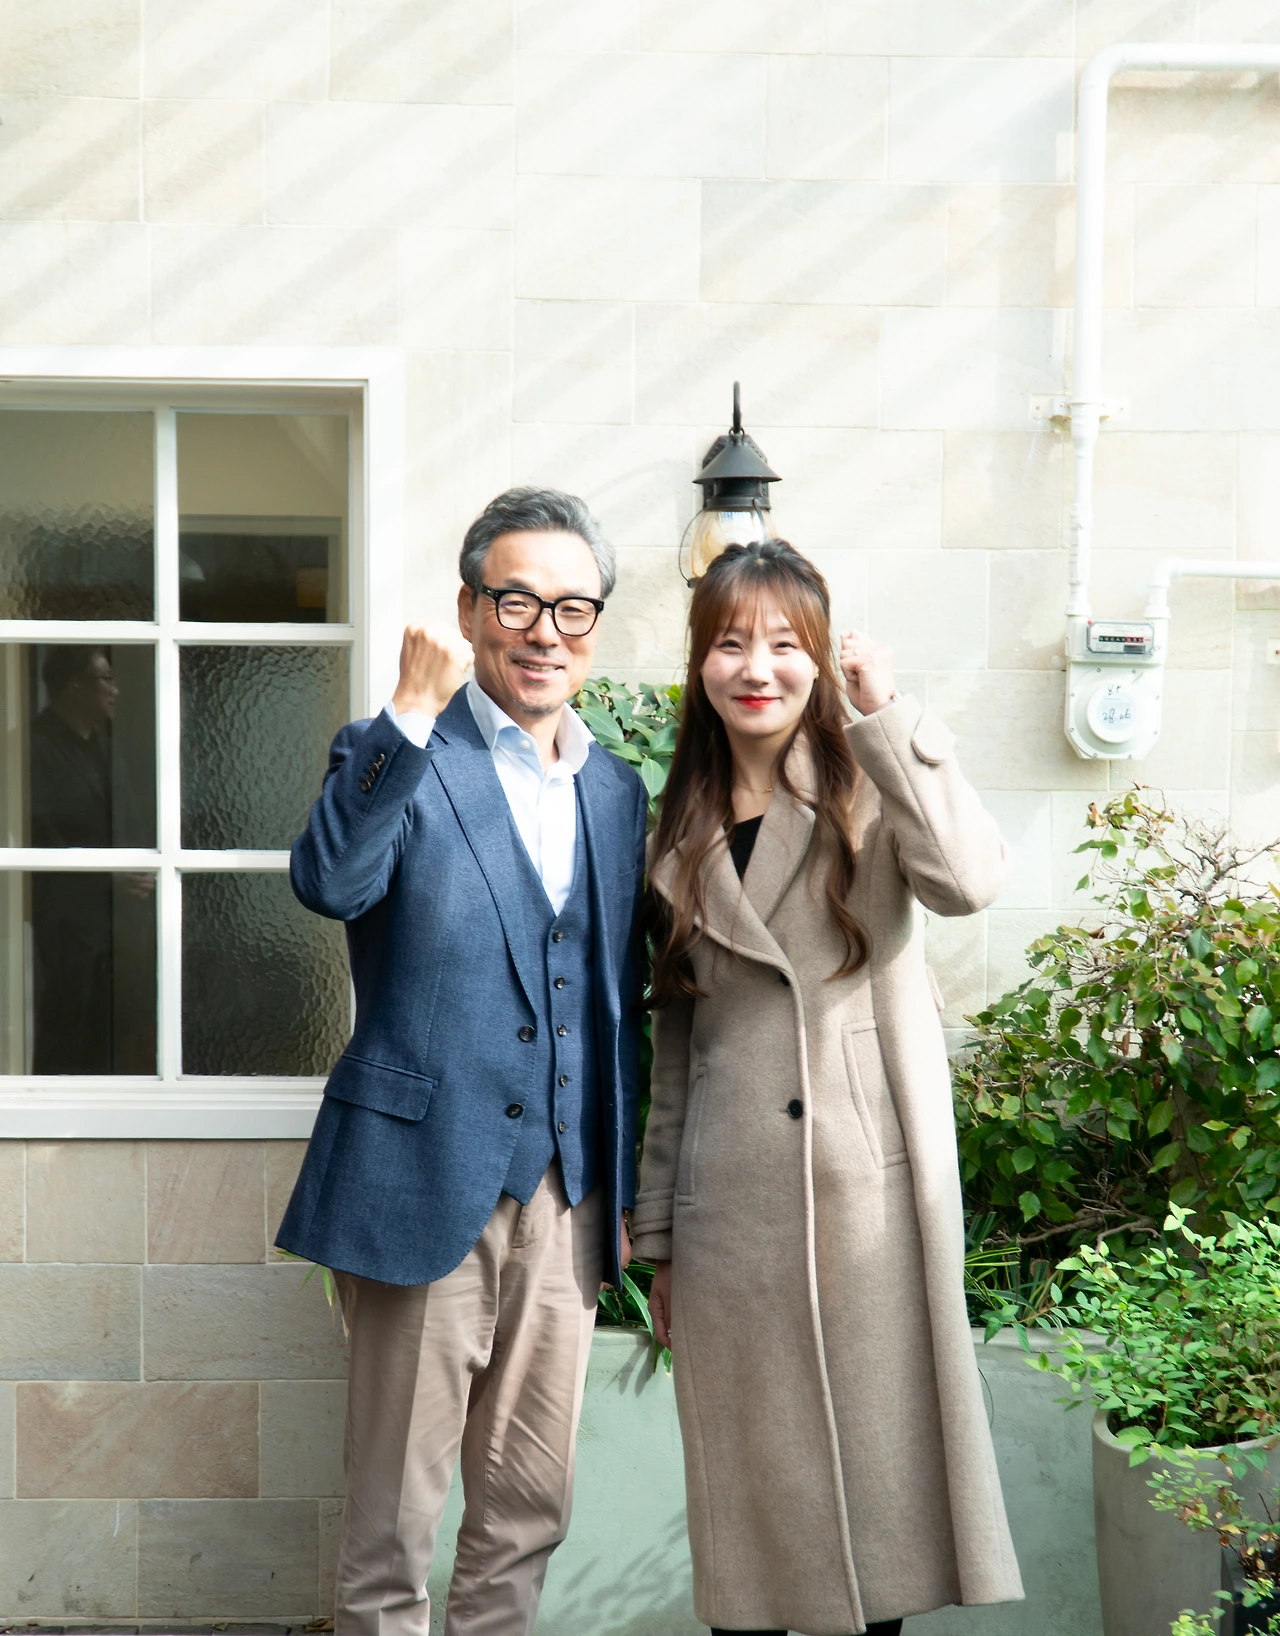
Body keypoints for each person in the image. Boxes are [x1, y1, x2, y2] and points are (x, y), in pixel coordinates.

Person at [632, 539, 1023, 1636]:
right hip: (728, 1213)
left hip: (866, 1200)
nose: (755, 668)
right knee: (748, 1529)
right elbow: (677, 1041)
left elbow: (970, 881)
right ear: (699, 664)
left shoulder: (868, 787)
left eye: (782, 644)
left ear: (818, 658)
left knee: (874, 1525)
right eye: (728, 643)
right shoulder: (676, 827)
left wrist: (887, 715)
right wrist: (658, 1233)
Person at [277, 487, 647, 1636]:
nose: (545, 630)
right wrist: (403, 711)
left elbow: (612, 1001)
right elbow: (330, 883)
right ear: (469, 608)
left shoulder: (614, 790)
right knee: (393, 1523)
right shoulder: (398, 752)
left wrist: (624, 1189)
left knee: (526, 1513)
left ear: (595, 627)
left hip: (564, 1198)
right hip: (419, 1178)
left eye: (572, 607)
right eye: (517, 600)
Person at [29, 645, 153, 1073]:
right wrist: (109, 876)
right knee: (66, 1028)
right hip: (65, 923)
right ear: (75, 685)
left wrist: (142, 869)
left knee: (110, 1034)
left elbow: (131, 821)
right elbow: (38, 834)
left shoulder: (107, 748)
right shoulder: (31, 748)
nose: (116, 691)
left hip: (117, 922)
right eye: (106, 680)